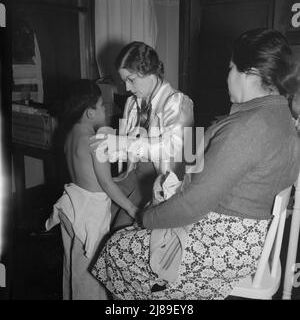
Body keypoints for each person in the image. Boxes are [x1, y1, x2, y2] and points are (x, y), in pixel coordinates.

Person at [92, 29, 300, 300]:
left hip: (227, 244)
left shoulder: (243, 126)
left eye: (230, 68)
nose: (227, 77)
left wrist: (148, 218)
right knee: (130, 231)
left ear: (249, 73)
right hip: (245, 232)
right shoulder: (281, 117)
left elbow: (192, 195)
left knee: (117, 249)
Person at [45, 80, 138, 300]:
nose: (106, 110)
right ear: (89, 113)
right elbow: (105, 184)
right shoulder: (97, 142)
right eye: (102, 106)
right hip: (89, 216)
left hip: (70, 206)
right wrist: (132, 208)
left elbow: (87, 175)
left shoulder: (70, 136)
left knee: (72, 267)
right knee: (92, 272)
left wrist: (118, 176)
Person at [91, 41, 194, 230]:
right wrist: (107, 143)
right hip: (133, 178)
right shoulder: (132, 103)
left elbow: (174, 149)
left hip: (161, 184)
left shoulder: (178, 102)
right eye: (124, 81)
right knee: (98, 216)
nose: (127, 88)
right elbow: (126, 153)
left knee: (120, 233)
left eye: (131, 79)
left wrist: (122, 143)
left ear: (149, 72)